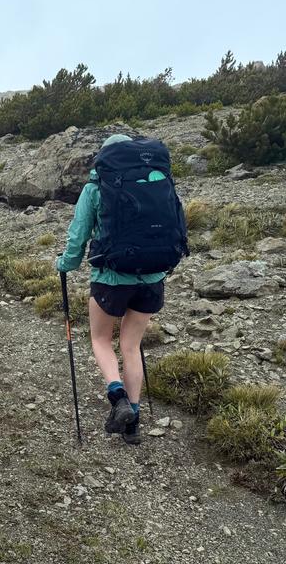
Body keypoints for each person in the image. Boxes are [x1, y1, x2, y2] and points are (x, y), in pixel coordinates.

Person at [55, 133, 187, 445]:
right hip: (153, 277)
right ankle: (133, 426)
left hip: (111, 278)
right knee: (131, 346)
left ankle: (118, 399)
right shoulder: (158, 180)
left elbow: (78, 235)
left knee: (101, 340)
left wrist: (65, 264)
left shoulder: (96, 186)